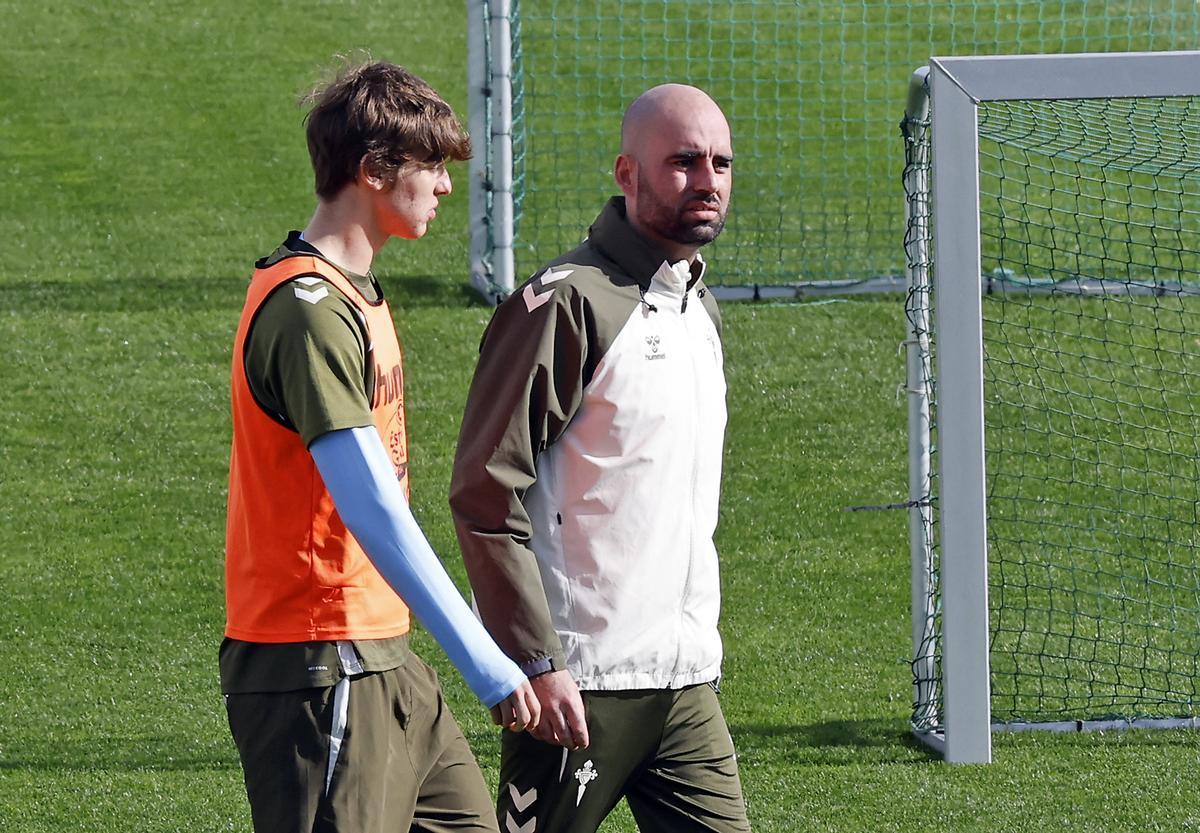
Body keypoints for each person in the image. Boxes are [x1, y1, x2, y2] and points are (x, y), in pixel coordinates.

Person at [221, 60, 540, 833]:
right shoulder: (309, 313)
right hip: (319, 662)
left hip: (383, 652)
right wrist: (485, 658)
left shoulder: (355, 298)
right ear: (373, 170)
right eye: (430, 165)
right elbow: (369, 505)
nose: (444, 185)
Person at [450, 84, 751, 833]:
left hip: (685, 687)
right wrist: (535, 662)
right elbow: (485, 493)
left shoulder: (698, 311)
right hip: (579, 688)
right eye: (683, 161)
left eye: (721, 162)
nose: (707, 179)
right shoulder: (565, 305)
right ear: (626, 172)